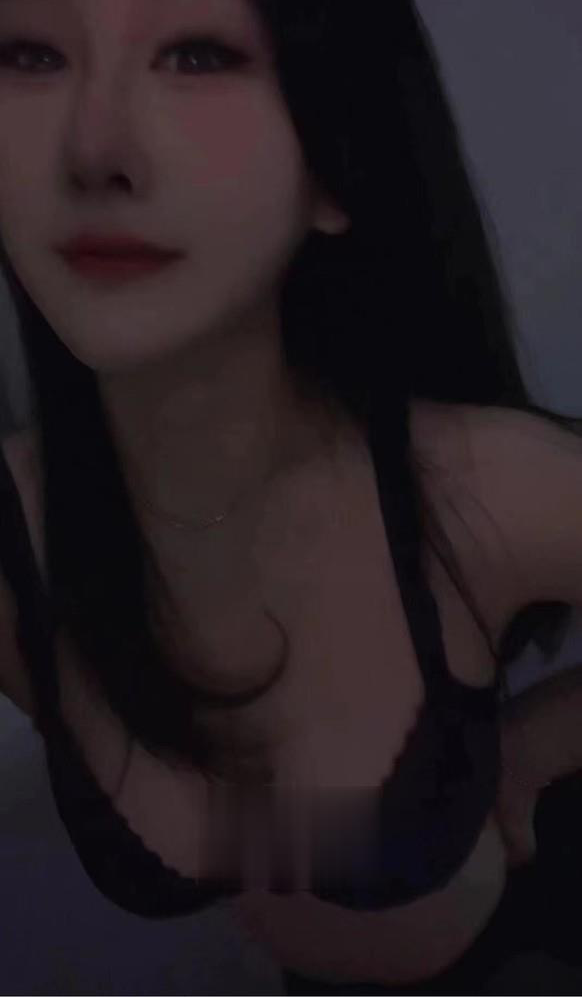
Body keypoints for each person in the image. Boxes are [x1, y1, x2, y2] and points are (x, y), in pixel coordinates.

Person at [0, 0, 581, 992]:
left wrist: (538, 747)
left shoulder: (474, 489)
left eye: (197, 55)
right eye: (29, 54)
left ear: (337, 163)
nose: (91, 152)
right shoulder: (21, 540)